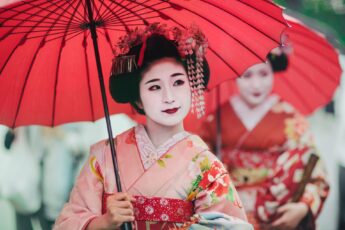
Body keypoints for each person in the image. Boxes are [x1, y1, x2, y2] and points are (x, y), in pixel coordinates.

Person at [54, 23, 252, 230]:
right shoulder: (104, 156)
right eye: (155, 87)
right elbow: (66, 223)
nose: (169, 97)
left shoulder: (207, 166)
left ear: (191, 86)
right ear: (138, 99)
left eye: (178, 83)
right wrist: (104, 222)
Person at [198, 52, 330, 229]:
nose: (256, 84)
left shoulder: (290, 119)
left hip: (276, 209)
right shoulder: (216, 119)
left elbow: (316, 170)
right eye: (247, 75)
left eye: (263, 74)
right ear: (235, 76)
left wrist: (303, 206)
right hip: (228, 210)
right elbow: (198, 167)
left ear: (273, 73)